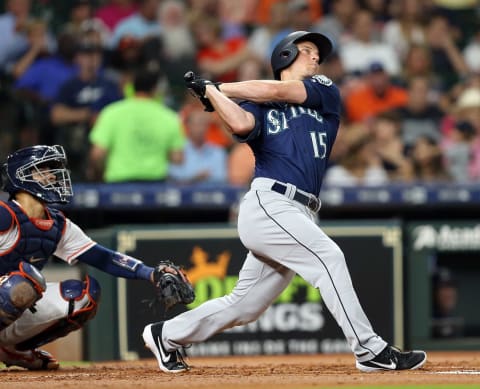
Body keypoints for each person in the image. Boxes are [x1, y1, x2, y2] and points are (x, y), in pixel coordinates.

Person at [142, 30, 427, 373]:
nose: (315, 57)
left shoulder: (323, 89)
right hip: (270, 202)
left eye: (316, 53)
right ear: (285, 56)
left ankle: (166, 334)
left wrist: (218, 88)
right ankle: (369, 350)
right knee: (329, 258)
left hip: (301, 210)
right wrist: (212, 96)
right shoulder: (257, 105)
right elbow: (241, 122)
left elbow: (278, 89)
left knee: (245, 306)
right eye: (306, 50)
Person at [0, 144, 184, 370]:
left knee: (81, 296)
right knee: (23, 282)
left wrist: (151, 274)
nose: (52, 175)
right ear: (23, 176)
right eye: (44, 169)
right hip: (9, 289)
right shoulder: (4, 214)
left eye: (52, 169)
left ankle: (12, 350)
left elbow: (103, 258)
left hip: (11, 298)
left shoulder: (58, 224)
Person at [88, 67, 185, 183]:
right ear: (155, 89)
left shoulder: (111, 112)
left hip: (118, 186)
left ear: (132, 87)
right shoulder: (169, 117)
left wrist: (99, 175)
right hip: (155, 187)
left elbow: (97, 154)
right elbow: (177, 158)